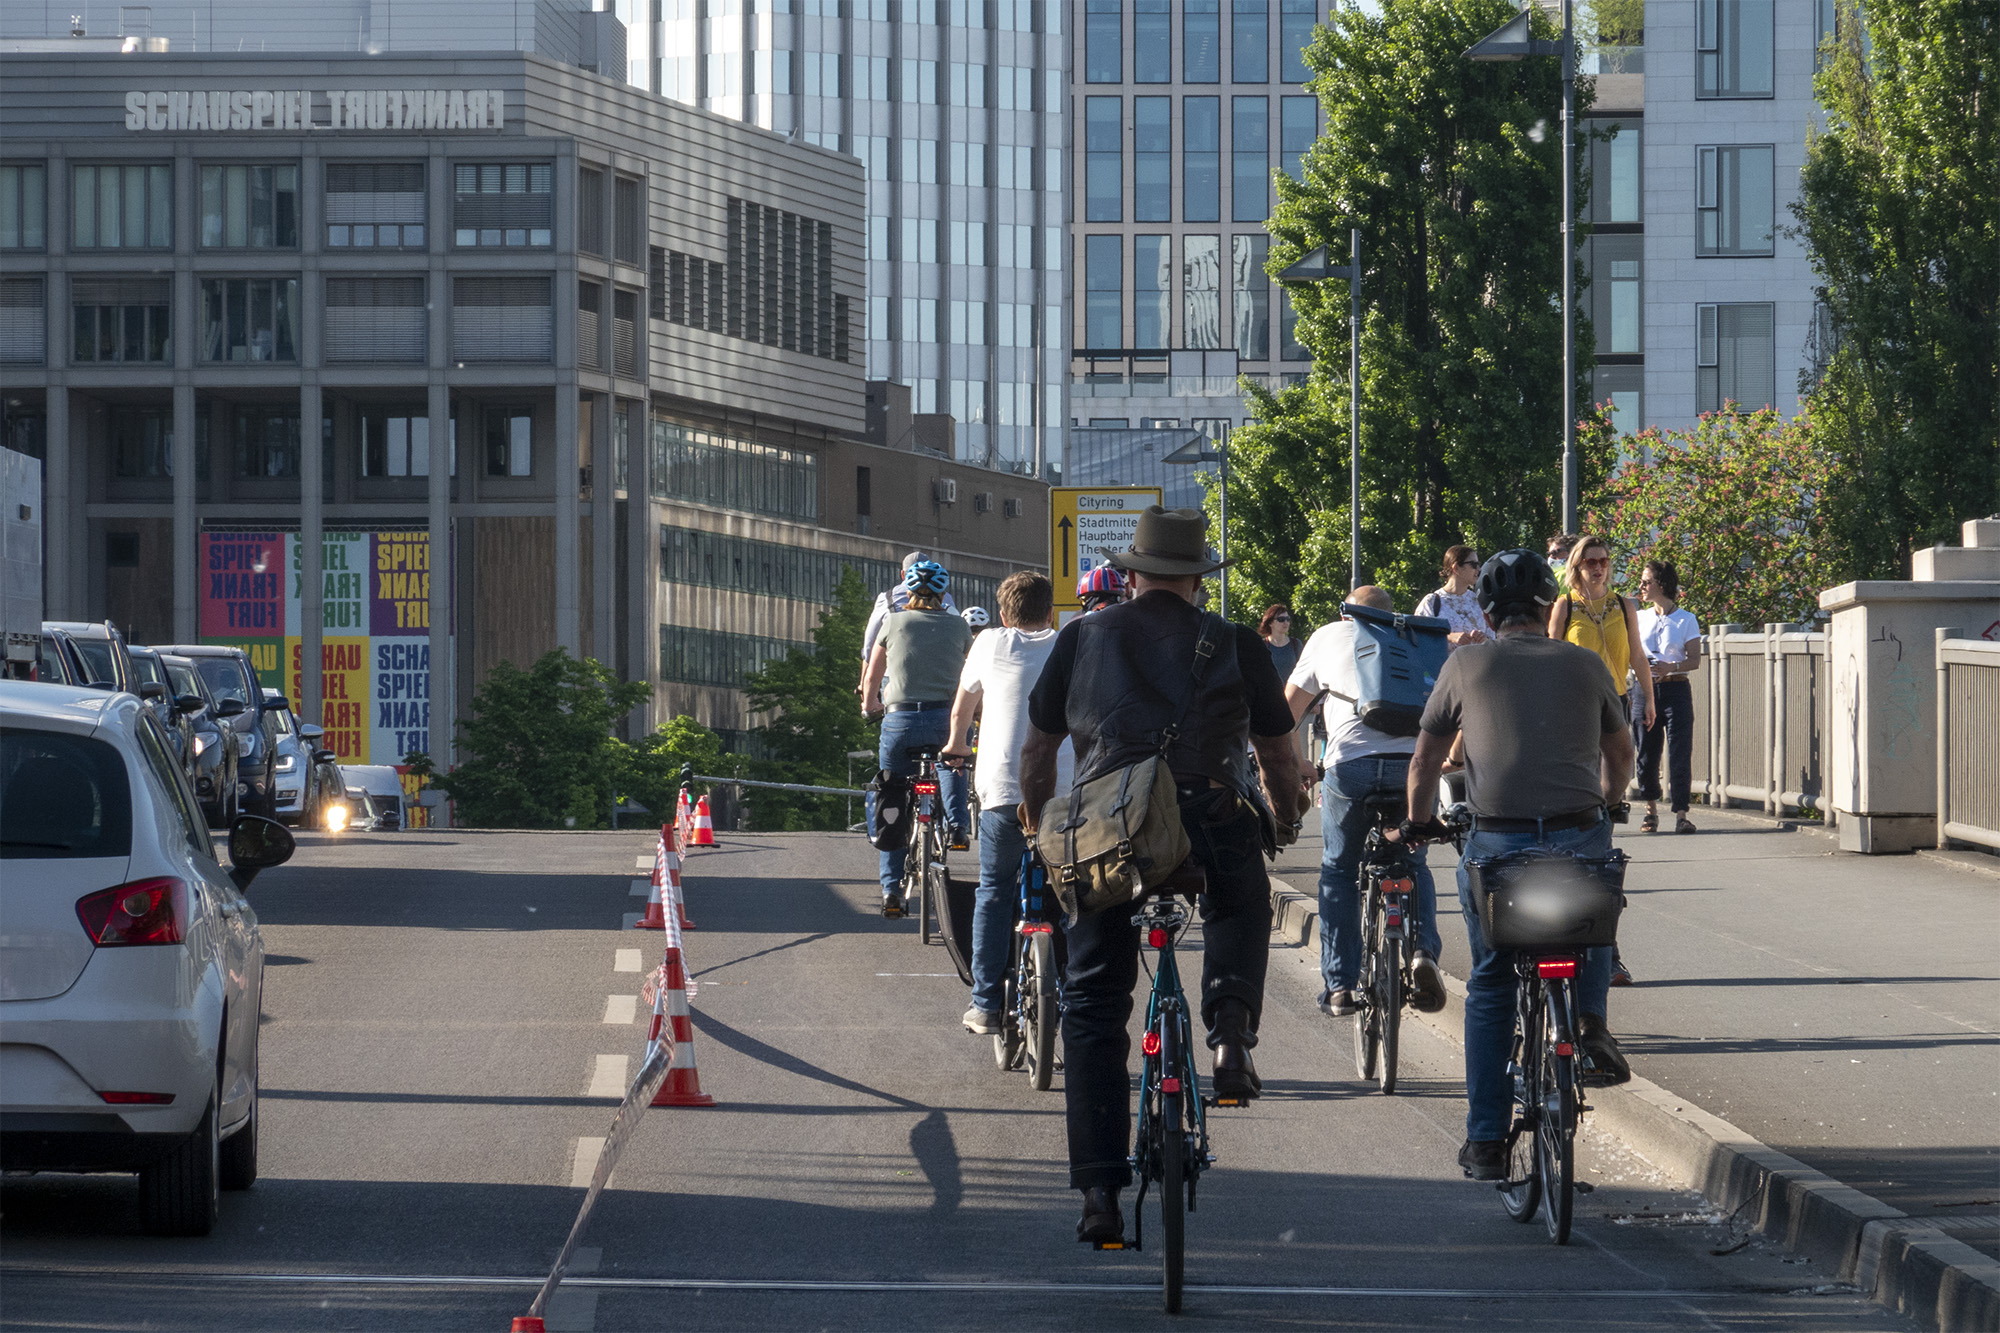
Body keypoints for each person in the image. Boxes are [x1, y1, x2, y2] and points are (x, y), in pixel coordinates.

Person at [1020, 507, 1306, 1246]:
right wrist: (1283, 815)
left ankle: (1098, 1196)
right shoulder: (1238, 642)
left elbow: (1038, 749)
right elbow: (1279, 755)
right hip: (1207, 817)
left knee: (1090, 1005)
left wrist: (1034, 823)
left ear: (1132, 573)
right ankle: (1231, 1032)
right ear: (1197, 579)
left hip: (1107, 832)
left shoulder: (1082, 636)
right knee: (1243, 901)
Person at [1399, 548, 1634, 1183]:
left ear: (1491, 612)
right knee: (1590, 930)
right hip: (1576, 839)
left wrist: (1418, 825)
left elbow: (1423, 764)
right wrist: (1608, 802)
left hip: (1499, 848)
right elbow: (1622, 751)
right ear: (1541, 608)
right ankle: (1587, 1023)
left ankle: (1485, 1142)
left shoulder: (1466, 663)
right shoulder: (1586, 665)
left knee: (1494, 985)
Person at [1285, 586, 1447, 1022]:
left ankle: (1340, 985)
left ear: (1347, 613)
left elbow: (1287, 713)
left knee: (1338, 869)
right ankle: (1422, 953)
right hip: (1414, 768)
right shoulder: (1419, 641)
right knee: (1414, 860)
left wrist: (1300, 761)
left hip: (1351, 768)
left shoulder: (1327, 636)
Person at [943, 573, 1071, 1034]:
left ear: (1002, 615)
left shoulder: (989, 643)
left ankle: (985, 1004)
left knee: (994, 891)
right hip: (1063, 791)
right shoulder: (1070, 642)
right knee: (1073, 891)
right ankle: (1073, 1001)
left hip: (1003, 790)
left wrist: (956, 746)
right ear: (1051, 613)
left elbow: (962, 709)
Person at [1548, 536, 1650, 987]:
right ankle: (1595, 813)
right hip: (1572, 706)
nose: (1597, 568)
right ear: (1576, 565)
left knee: (1615, 781)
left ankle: (1608, 806)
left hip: (1615, 700)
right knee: (1584, 815)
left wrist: (1647, 695)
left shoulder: (1623, 605)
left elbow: (1638, 654)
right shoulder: (1564, 605)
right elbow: (1549, 657)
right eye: (1589, 561)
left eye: (1604, 561)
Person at [861, 559, 973, 913]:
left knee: (892, 795)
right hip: (945, 718)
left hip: (900, 722)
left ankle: (891, 890)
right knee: (952, 762)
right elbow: (971, 678)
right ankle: (957, 826)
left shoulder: (892, 622)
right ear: (943, 593)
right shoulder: (959, 627)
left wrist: (870, 705)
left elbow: (872, 679)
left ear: (907, 591)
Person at [1635, 560, 1702, 835]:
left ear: (1661, 584)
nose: (1641, 586)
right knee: (1646, 752)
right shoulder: (1639, 617)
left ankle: (1682, 813)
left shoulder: (1685, 618)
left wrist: (1671, 667)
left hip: (1676, 689)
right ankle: (1650, 810)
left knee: (1679, 750)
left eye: (1646, 581)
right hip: (1644, 688)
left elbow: (1695, 659)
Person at [858, 551, 957, 683]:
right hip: (938, 674)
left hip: (895, 675)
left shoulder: (887, 598)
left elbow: (870, 642)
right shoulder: (946, 598)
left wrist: (864, 686)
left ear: (903, 574)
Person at [1414, 546, 1494, 648]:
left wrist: (1484, 640)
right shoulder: (1432, 602)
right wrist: (1450, 637)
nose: (1479, 569)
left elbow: (1494, 640)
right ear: (1456, 568)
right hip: (1444, 663)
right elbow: (1419, 637)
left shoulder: (1480, 601)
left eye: (1478, 564)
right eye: (1473, 564)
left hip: (1475, 663)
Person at [1258, 604, 1301, 679]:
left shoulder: (1296, 644)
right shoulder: (1261, 646)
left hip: (1291, 690)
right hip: (1270, 690)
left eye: (1288, 619)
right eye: (1281, 619)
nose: (1286, 622)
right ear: (1270, 623)